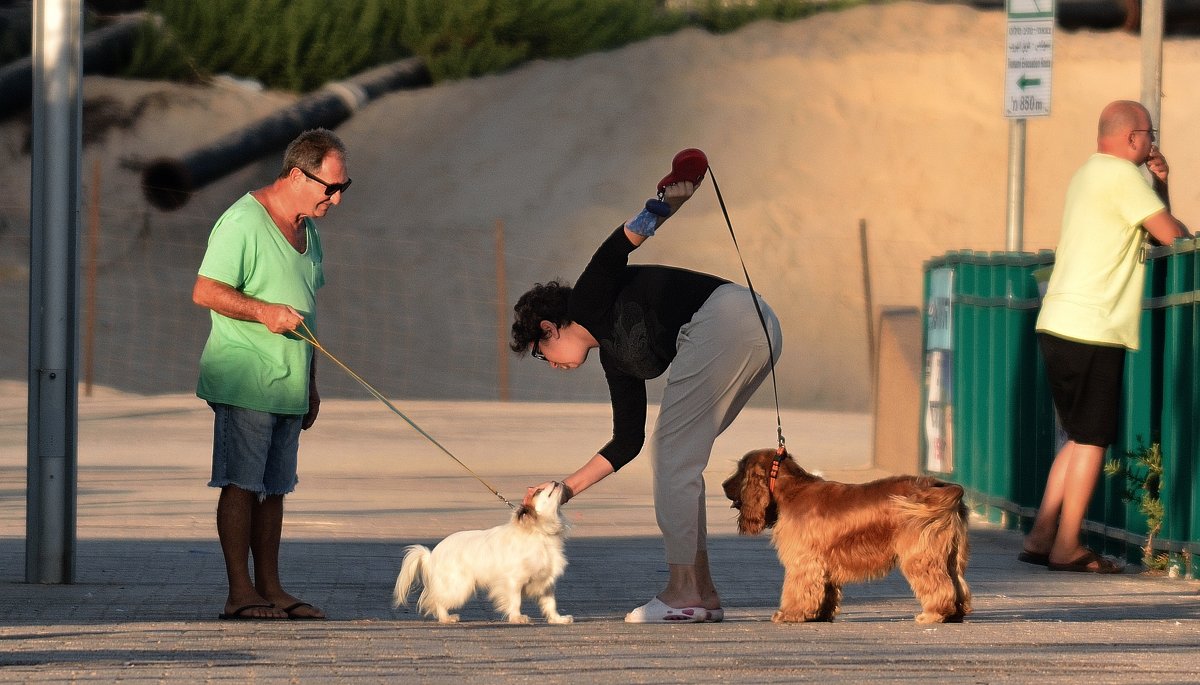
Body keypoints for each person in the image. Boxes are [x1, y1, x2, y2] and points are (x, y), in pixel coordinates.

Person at [512, 168, 783, 623]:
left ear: (548, 328)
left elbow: (616, 249)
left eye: (543, 354)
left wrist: (666, 202)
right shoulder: (615, 359)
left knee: (674, 455)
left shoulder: (585, 303)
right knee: (677, 454)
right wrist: (563, 490)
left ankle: (682, 593)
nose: (553, 365)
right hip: (753, 326)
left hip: (729, 319)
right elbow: (626, 442)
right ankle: (702, 593)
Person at [1022, 100, 1189, 573]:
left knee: (1076, 437)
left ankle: (1040, 536)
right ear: (1134, 137)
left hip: (1059, 321)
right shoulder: (1122, 178)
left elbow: (1154, 231)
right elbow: (1173, 237)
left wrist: (1159, 186)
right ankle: (1067, 545)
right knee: (1093, 438)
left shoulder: (1088, 174)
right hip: (1093, 326)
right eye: (1150, 134)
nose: (1153, 143)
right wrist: (1162, 186)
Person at [192, 128, 351, 620]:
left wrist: (312, 381)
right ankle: (239, 592)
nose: (338, 198)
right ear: (296, 175)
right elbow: (206, 290)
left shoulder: (311, 230)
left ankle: (272, 587)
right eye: (330, 187)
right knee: (241, 483)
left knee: (276, 487)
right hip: (245, 375)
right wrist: (263, 312)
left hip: (290, 381)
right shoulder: (242, 220)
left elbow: (310, 309)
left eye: (346, 186)